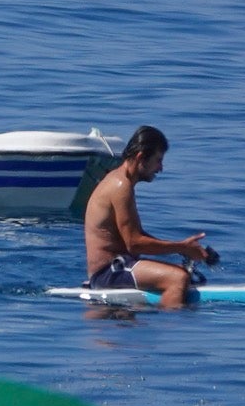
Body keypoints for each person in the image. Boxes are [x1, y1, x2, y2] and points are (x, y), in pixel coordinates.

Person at [81, 126, 213, 309]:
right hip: (108, 273)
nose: (160, 168)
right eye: (158, 161)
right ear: (141, 157)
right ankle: (173, 330)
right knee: (178, 278)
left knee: (182, 274)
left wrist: (182, 249)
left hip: (119, 266)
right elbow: (134, 243)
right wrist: (181, 247)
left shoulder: (121, 182)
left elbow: (136, 236)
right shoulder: (120, 187)